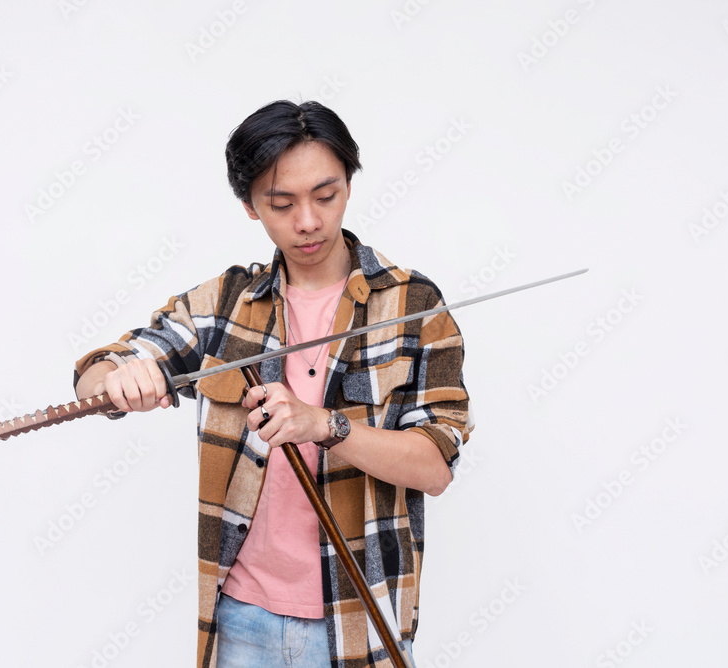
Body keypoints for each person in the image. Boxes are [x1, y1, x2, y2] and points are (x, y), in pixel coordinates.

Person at [74, 100, 473, 668]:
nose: (307, 221)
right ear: (250, 206)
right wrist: (119, 378)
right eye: (281, 204)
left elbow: (436, 466)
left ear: (349, 186)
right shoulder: (225, 304)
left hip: (361, 619)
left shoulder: (414, 306)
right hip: (239, 618)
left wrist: (326, 426)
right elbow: (105, 364)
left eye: (325, 195)